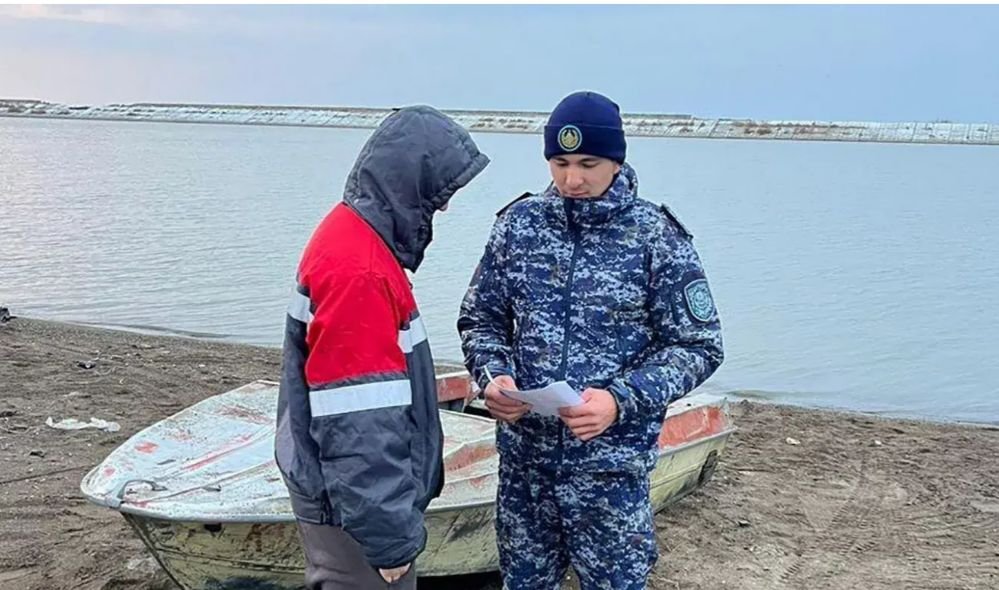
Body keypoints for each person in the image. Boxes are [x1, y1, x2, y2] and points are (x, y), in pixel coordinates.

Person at [457, 91, 723, 589]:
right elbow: (481, 319)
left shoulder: (656, 236)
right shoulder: (518, 226)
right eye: (559, 163)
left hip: (611, 473)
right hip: (525, 469)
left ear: (616, 161)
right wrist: (494, 378)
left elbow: (698, 345)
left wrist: (619, 401)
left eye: (587, 164)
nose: (572, 180)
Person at [275, 105, 489, 589]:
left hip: (346, 505)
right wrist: (389, 539)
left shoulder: (349, 235)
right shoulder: (361, 272)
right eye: (441, 193)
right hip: (355, 518)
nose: (444, 207)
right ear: (409, 184)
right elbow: (359, 423)